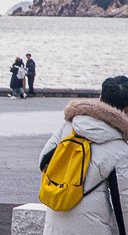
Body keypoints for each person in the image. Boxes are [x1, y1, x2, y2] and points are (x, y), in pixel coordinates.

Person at [39, 76, 128, 234]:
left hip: (55, 225)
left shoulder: (70, 125)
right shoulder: (121, 149)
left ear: (100, 99)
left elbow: (43, 161)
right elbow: (123, 202)